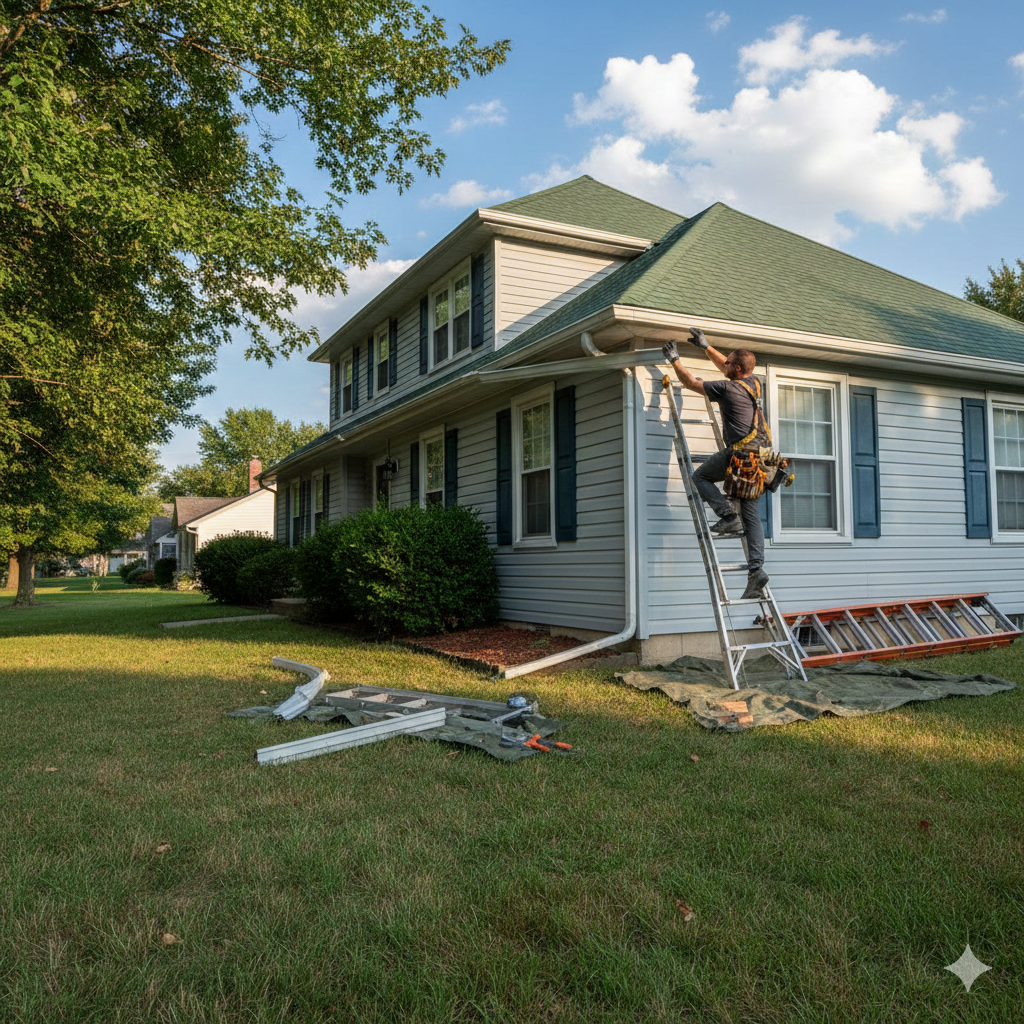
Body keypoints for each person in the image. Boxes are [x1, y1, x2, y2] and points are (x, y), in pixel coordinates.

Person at [662, 329, 770, 601]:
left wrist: (675, 360)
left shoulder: (727, 388)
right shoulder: (754, 383)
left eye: (728, 363)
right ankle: (756, 570)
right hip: (761, 459)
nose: (724, 365)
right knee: (752, 514)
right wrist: (706, 346)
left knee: (699, 477)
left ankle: (727, 516)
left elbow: (690, 384)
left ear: (736, 368)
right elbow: (728, 363)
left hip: (739, 456)